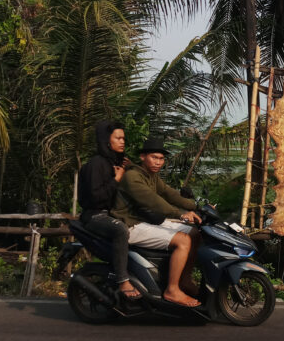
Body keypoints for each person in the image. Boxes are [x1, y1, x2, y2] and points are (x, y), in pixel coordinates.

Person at [111, 138, 202, 307]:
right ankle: (172, 290)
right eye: (154, 157)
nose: (158, 162)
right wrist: (181, 214)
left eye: (161, 159)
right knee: (183, 240)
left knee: (194, 233)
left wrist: (197, 206)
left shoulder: (151, 176)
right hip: (130, 225)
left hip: (144, 222)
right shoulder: (133, 177)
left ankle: (184, 280)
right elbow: (154, 201)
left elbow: (170, 194)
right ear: (143, 157)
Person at [77, 121, 140, 300]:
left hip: (112, 213)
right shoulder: (96, 164)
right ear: (106, 141)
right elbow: (96, 197)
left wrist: (129, 168)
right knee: (120, 230)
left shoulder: (117, 162)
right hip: (95, 215)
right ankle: (122, 281)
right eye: (118, 138)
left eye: (123, 138)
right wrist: (117, 179)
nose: (123, 142)